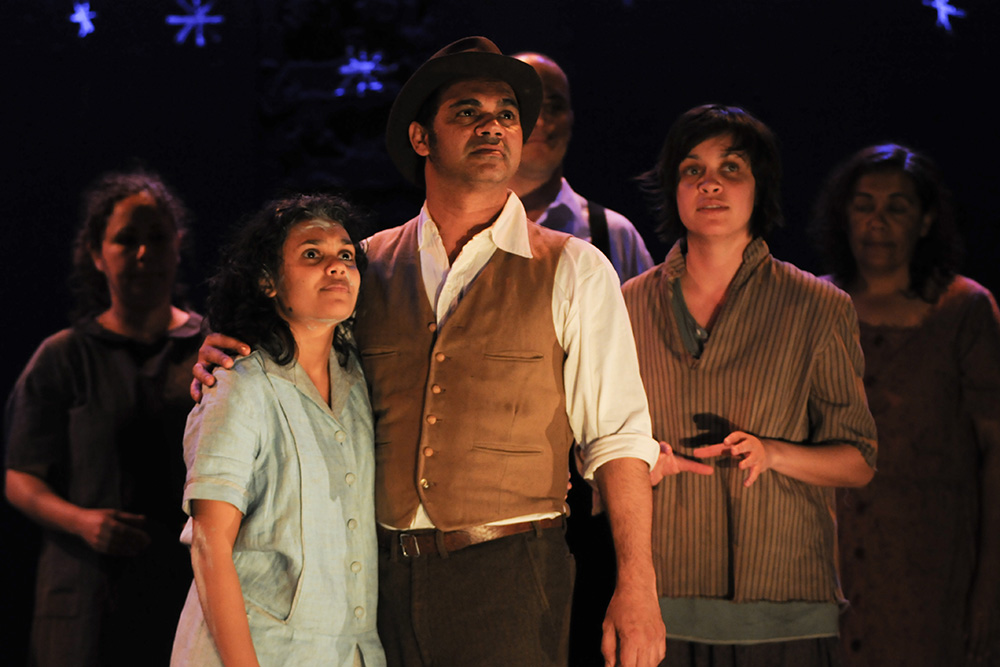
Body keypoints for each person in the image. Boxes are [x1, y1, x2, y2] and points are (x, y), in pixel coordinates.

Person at [194, 37, 664, 667]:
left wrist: (637, 584)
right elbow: (299, 361)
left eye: (506, 113)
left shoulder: (575, 267)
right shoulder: (363, 263)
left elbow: (618, 438)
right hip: (373, 583)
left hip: (509, 574)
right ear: (422, 138)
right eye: (467, 111)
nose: (492, 125)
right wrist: (222, 351)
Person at [623, 104, 878, 666]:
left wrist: (775, 453)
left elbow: (858, 458)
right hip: (657, 604)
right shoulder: (626, 305)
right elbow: (589, 448)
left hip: (783, 608)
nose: (710, 183)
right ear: (673, 187)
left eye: (731, 168)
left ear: (760, 188)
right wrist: (639, 465)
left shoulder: (816, 305)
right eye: (693, 170)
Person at [170, 194, 385, 667]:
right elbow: (209, 545)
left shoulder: (359, 383)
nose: (336, 266)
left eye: (346, 255)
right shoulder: (238, 384)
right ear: (268, 281)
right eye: (313, 254)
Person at [4, 170, 206, 666]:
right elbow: (20, 476)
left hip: (184, 596)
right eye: (126, 240)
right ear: (97, 254)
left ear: (178, 245)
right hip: (85, 603)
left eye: (157, 237)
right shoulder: (63, 357)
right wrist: (83, 522)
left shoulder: (211, 350)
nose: (143, 253)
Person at [811, 143, 1000, 666]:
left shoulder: (964, 311)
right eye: (864, 204)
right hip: (831, 567)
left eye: (897, 207)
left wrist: (989, 588)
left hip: (932, 565)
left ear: (924, 220)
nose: (878, 221)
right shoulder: (816, 305)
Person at [510, 52, 654, 283]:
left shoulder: (613, 234)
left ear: (570, 118)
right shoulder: (462, 228)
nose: (540, 121)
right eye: (526, 106)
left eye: (553, 107)